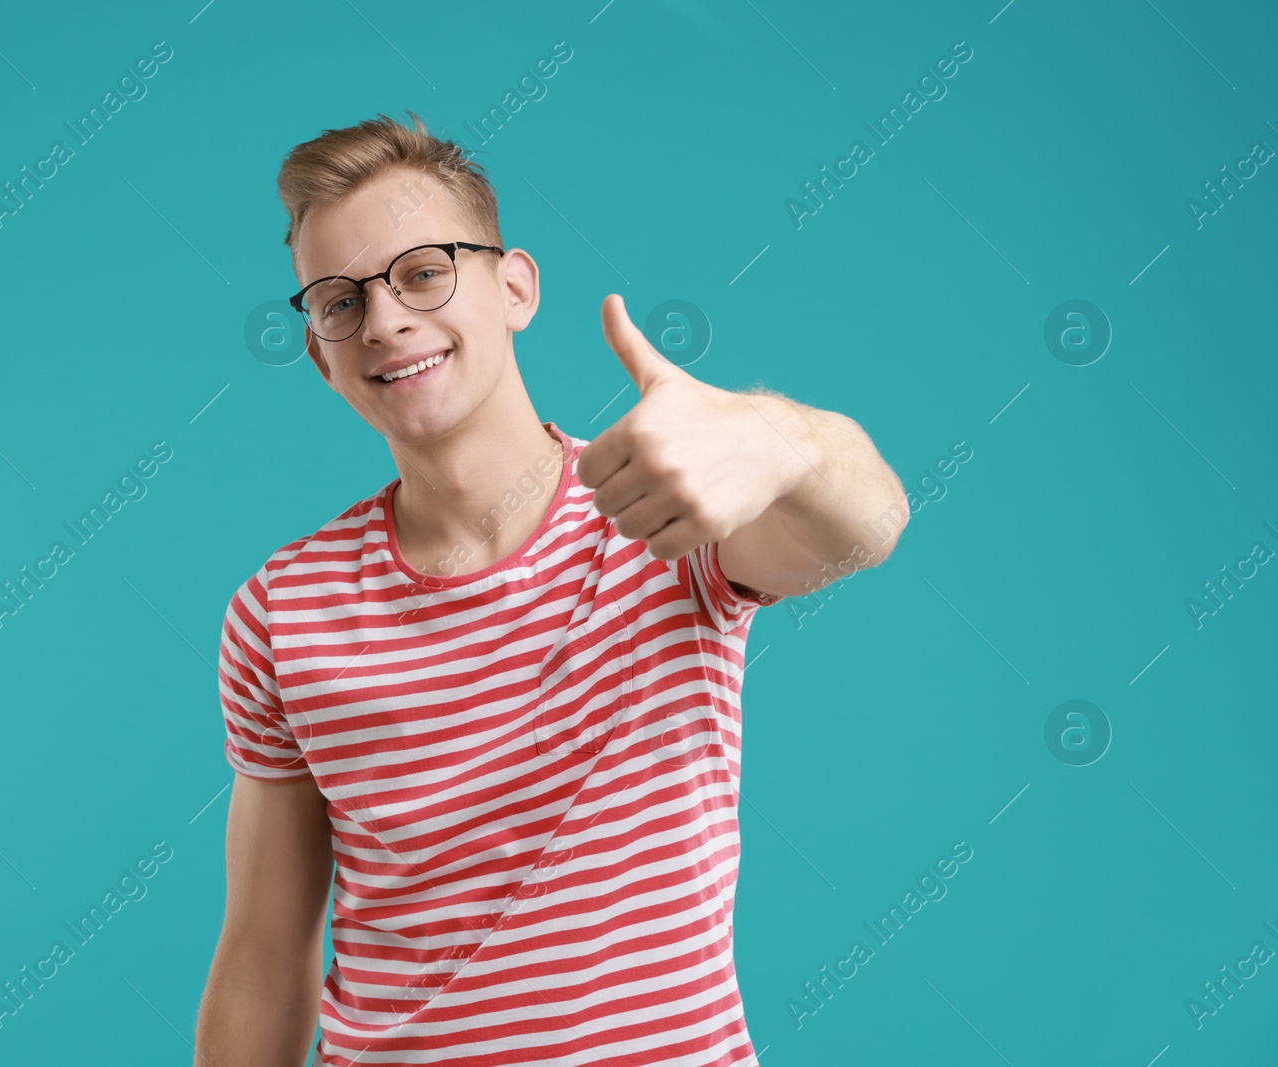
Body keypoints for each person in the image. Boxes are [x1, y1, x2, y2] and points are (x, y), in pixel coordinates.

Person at [195, 110, 910, 1067]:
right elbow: (263, 951)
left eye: (422, 271)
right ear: (322, 354)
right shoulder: (284, 611)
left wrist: (779, 442)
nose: (387, 319)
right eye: (339, 301)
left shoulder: (664, 511)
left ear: (516, 287)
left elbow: (868, 524)